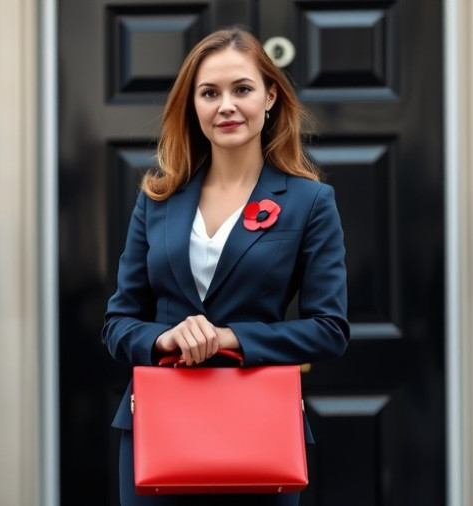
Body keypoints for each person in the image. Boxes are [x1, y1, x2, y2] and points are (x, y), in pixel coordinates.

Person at [102, 26, 350, 505]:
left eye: (242, 89)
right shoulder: (158, 199)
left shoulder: (310, 202)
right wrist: (163, 337)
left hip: (259, 433)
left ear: (271, 96)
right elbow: (117, 323)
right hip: (159, 432)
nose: (226, 106)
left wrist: (230, 337)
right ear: (193, 106)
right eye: (209, 93)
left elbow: (329, 329)